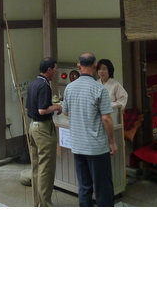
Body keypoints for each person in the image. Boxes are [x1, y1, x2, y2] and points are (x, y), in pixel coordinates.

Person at [62, 52, 117, 207]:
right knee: (103, 186)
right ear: (94, 66)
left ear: (78, 66)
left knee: (84, 185)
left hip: (78, 145)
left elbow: (66, 112)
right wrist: (112, 142)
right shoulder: (99, 89)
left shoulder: (69, 88)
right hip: (97, 147)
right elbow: (106, 118)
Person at [25, 57, 62, 207]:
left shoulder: (33, 84)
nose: (56, 72)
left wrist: (51, 105)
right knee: (46, 167)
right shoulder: (45, 86)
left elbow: (29, 108)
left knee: (36, 166)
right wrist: (57, 107)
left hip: (32, 127)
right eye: (55, 69)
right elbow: (43, 109)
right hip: (43, 129)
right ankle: (45, 204)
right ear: (49, 70)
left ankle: (37, 203)